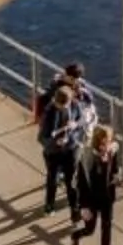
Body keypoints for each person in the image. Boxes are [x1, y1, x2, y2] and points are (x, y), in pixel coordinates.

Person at [39, 79, 96, 215]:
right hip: (54, 151)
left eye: (66, 104)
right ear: (55, 102)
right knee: (52, 178)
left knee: (71, 180)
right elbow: (41, 138)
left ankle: (74, 208)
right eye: (61, 105)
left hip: (71, 147)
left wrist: (74, 128)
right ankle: (49, 205)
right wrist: (54, 143)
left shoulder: (75, 106)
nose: (64, 108)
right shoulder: (49, 114)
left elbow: (81, 123)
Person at [70, 124, 123, 245]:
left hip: (107, 197)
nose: (106, 145)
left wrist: (116, 176)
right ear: (97, 142)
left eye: (108, 141)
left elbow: (115, 168)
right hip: (92, 199)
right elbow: (82, 184)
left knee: (107, 227)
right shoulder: (88, 159)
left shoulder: (112, 151)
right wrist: (84, 206)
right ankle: (76, 235)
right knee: (90, 230)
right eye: (103, 143)